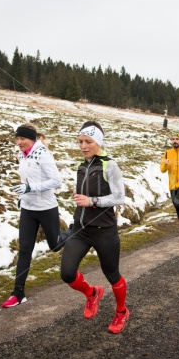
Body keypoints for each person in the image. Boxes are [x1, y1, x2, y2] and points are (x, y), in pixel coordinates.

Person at [60, 121, 130, 334]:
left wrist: (92, 201)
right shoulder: (82, 166)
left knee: (112, 275)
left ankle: (121, 312)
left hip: (104, 231)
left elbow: (119, 197)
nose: (83, 146)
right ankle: (92, 294)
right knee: (67, 274)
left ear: (98, 141)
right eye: (80, 141)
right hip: (81, 230)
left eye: (88, 141)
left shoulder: (110, 165)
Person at [2, 124, 62, 308]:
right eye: (17, 139)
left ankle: (75, 231)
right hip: (28, 208)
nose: (19, 142)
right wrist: (23, 193)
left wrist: (30, 188)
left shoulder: (42, 154)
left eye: (22, 139)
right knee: (25, 249)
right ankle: (18, 292)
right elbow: (27, 179)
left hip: (46, 207)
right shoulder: (22, 153)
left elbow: (56, 181)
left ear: (32, 139)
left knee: (55, 245)